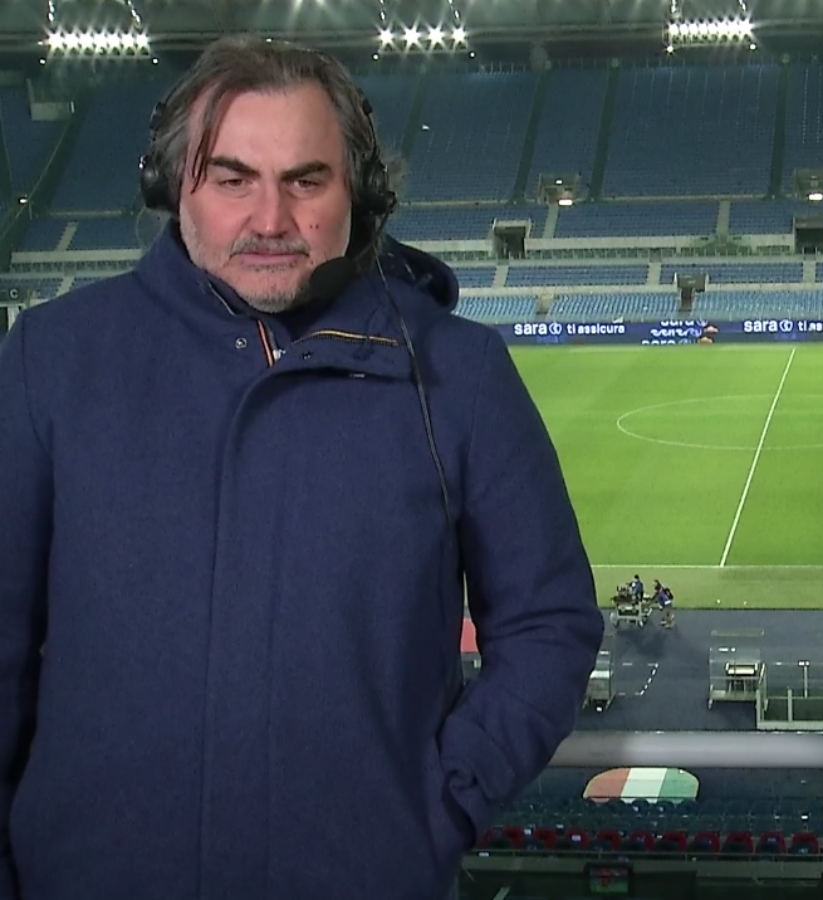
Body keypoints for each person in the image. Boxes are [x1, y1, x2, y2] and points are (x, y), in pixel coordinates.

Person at [0, 35, 605, 900]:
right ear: (173, 186)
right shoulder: (51, 360)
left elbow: (549, 623)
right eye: (232, 179)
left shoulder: (460, 374)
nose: (271, 220)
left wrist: (437, 807)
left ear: (362, 191)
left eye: (306, 181)